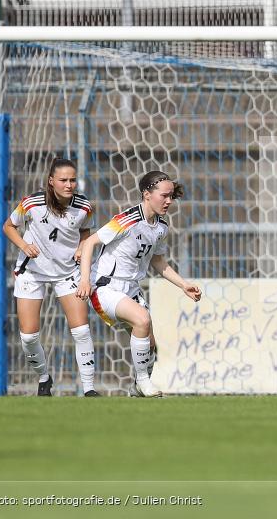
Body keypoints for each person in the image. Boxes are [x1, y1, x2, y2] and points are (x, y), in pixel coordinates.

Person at [76, 170, 202, 398]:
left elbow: (158, 261)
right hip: (106, 286)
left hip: (131, 291)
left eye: (171, 196)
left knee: (150, 344)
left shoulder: (162, 227)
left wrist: (183, 285)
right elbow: (89, 244)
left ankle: (137, 388)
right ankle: (144, 383)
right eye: (164, 196)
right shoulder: (126, 220)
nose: (169, 201)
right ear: (147, 194)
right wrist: (85, 280)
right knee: (143, 319)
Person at [3, 158, 98, 396]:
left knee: (81, 331)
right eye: (63, 180)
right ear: (51, 181)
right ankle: (44, 378)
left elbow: (86, 232)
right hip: (32, 273)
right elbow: (8, 226)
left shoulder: (84, 206)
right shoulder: (32, 203)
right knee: (28, 336)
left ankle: (89, 389)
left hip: (67, 272)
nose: (69, 185)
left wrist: (80, 247)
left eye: (73, 180)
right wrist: (24, 246)